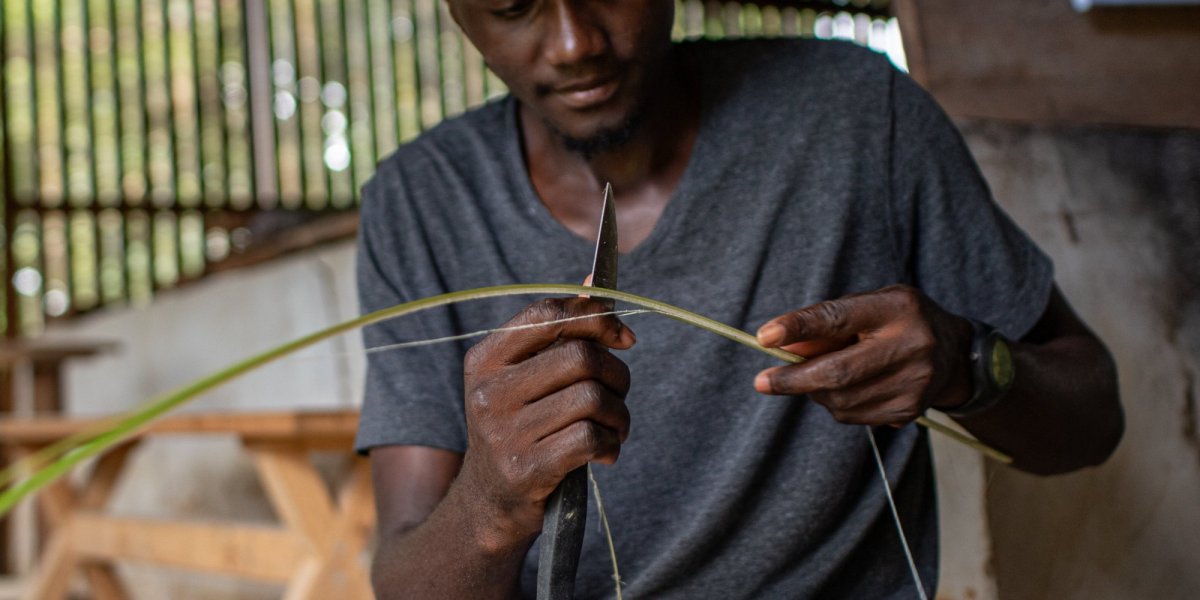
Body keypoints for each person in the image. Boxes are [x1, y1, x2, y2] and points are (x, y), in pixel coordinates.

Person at [353, 1, 1124, 598]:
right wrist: (490, 503)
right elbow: (407, 575)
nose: (573, 41)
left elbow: (1093, 418)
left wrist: (967, 365)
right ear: (458, 14)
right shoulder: (420, 203)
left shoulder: (856, 116)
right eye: (516, 6)